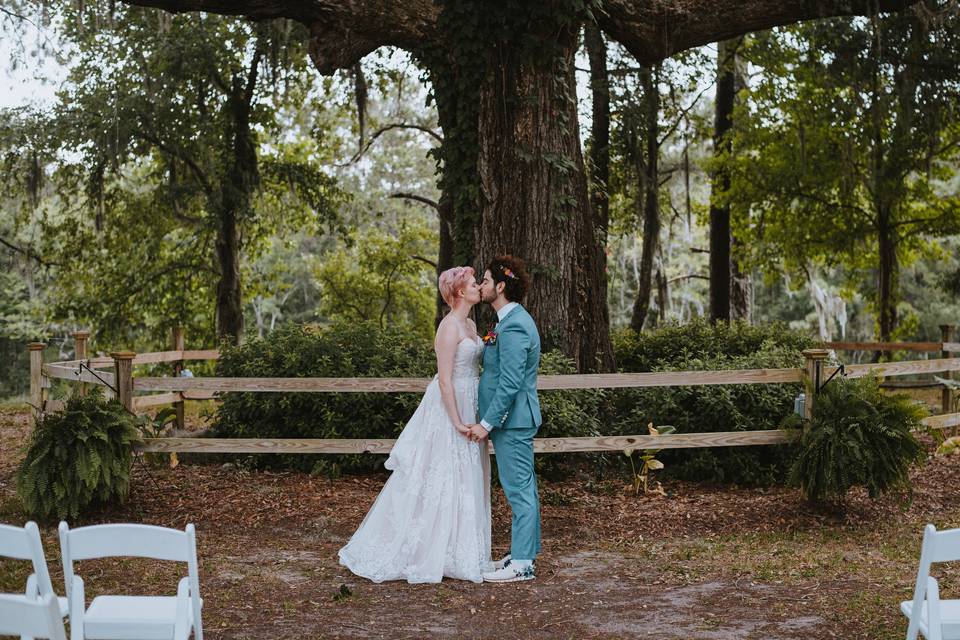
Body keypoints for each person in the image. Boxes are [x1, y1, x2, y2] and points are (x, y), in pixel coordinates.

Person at [338, 266, 491, 583]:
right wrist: (456, 422)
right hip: (450, 407)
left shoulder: (472, 324)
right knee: (440, 472)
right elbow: (445, 381)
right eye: (474, 284)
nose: (479, 287)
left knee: (465, 474)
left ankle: (459, 548)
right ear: (461, 292)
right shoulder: (448, 328)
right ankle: (424, 549)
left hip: (471, 398)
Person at [465, 255, 542, 583]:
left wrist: (486, 423)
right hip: (513, 421)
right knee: (524, 488)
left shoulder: (514, 324)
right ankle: (524, 553)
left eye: (484, 280)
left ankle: (523, 563)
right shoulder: (507, 321)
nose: (480, 286)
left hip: (513, 421)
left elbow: (510, 382)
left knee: (519, 491)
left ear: (500, 286)